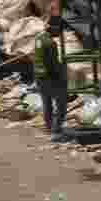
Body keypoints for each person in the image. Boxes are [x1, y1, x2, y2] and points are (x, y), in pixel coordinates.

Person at [34, 15, 70, 143]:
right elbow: (53, 65)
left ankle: (49, 127)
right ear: (54, 28)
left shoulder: (39, 38)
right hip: (50, 77)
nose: (60, 33)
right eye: (59, 30)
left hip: (39, 77)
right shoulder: (50, 43)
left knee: (47, 103)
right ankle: (56, 129)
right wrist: (63, 75)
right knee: (61, 104)